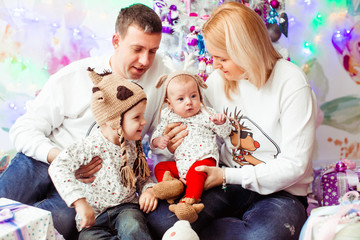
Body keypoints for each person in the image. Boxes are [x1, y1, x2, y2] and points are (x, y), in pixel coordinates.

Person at [0, 4, 176, 239]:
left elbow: (158, 134)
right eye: (137, 49)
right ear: (116, 41)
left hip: (89, 184)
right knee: (6, 201)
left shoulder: (160, 77)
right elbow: (23, 129)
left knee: (58, 224)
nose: (145, 60)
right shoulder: (76, 76)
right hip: (44, 158)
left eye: (152, 51)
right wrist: (57, 156)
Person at [147, 2, 317, 240]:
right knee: (160, 220)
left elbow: (295, 165)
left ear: (245, 51)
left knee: (264, 235)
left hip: (281, 192)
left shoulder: (290, 82)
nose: (214, 65)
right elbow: (200, 128)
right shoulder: (218, 80)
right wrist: (176, 142)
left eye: (221, 58)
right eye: (212, 57)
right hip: (226, 182)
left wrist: (226, 176)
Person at [49, 70, 156, 239]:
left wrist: (148, 190)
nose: (144, 121)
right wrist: (80, 202)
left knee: (133, 227)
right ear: (114, 122)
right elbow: (58, 167)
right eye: (137, 117)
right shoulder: (89, 146)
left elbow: (142, 178)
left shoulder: (133, 146)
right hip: (93, 216)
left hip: (126, 208)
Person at [150, 71, 231, 223]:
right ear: (170, 104)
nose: (189, 102)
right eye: (181, 99)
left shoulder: (206, 114)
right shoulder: (168, 116)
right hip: (181, 164)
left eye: (193, 96)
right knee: (161, 167)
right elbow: (156, 135)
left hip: (204, 160)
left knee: (197, 173)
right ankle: (172, 186)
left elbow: (225, 133)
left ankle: (188, 202)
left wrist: (221, 123)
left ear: (199, 95)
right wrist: (158, 141)